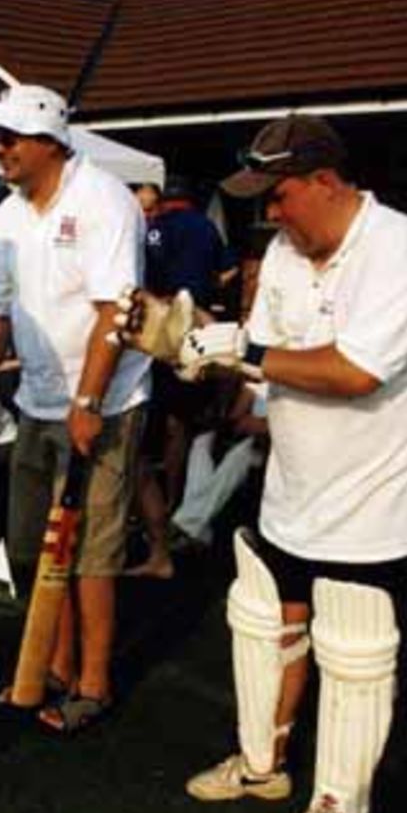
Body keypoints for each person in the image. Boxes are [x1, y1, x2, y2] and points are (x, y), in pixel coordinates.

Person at [115, 114, 407, 813]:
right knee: (264, 620)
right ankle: (261, 766)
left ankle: (338, 805)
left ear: (325, 181)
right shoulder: (286, 256)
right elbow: (259, 366)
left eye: (280, 195)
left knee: (355, 651)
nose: (270, 212)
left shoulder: (401, 247)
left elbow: (356, 370)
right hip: (293, 490)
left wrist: (243, 350)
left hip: (379, 504)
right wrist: (185, 344)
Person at [0, 84, 150, 733]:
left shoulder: (105, 201)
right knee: (32, 545)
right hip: (37, 401)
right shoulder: (9, 214)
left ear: (48, 140)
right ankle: (55, 663)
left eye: (8, 137)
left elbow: (116, 312)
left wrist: (90, 400)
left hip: (106, 401)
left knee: (90, 551)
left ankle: (93, 683)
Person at [127, 176, 230, 579]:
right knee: (181, 423)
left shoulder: (152, 230)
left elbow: (141, 280)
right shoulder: (207, 228)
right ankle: (174, 501)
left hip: (157, 328)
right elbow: (230, 270)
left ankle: (157, 511)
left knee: (154, 419)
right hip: (199, 326)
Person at [169, 379, 268, 550]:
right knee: (202, 442)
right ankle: (200, 530)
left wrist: (261, 426)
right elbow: (237, 413)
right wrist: (231, 422)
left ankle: (187, 523)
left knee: (238, 457)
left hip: (270, 447)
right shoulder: (259, 380)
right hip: (249, 437)